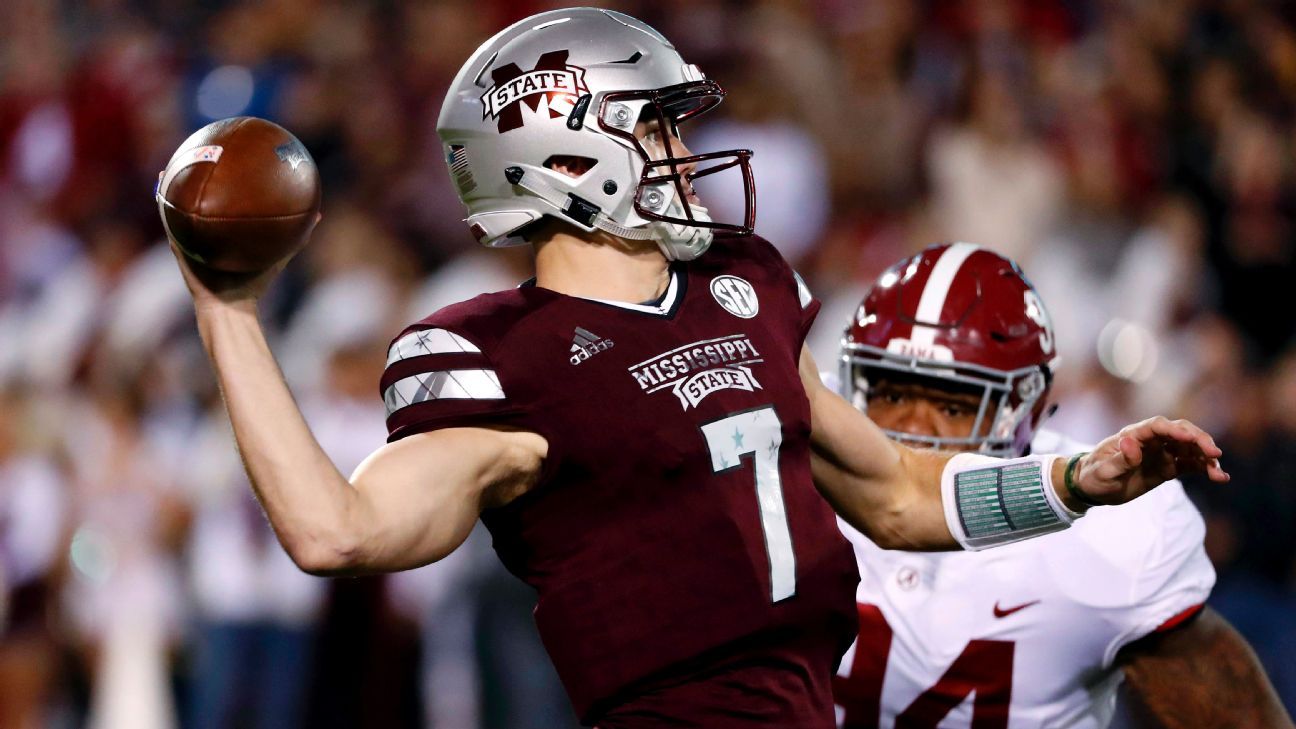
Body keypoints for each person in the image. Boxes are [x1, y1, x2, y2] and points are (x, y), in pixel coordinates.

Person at [163, 9, 1228, 728]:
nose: (685, 154)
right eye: (659, 130)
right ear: (567, 159)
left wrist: (1073, 482)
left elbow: (899, 497)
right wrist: (228, 310)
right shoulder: (501, 360)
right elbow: (337, 531)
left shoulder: (742, 285)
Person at [832, 242, 1292, 729]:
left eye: (951, 406)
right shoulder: (798, 449)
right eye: (892, 395)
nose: (913, 431)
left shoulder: (1109, 532)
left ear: (1020, 408)